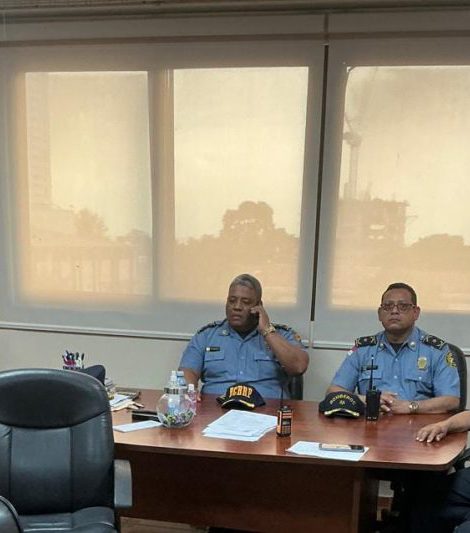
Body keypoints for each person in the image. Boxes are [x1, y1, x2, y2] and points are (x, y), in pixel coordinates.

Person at [326, 282, 460, 414]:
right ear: (380, 313)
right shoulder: (363, 349)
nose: (394, 311)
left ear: (416, 313)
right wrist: (368, 400)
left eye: (403, 306)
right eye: (388, 306)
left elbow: (451, 400)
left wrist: (411, 407)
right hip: (371, 424)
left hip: (419, 425)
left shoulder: (436, 350)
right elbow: (333, 392)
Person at [178, 273, 308, 399]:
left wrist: (267, 331)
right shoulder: (207, 335)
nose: (237, 307)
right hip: (216, 409)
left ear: (259, 306)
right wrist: (190, 390)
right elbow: (188, 370)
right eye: (232, 301)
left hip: (266, 410)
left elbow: (298, 367)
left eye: (245, 302)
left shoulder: (281, 335)